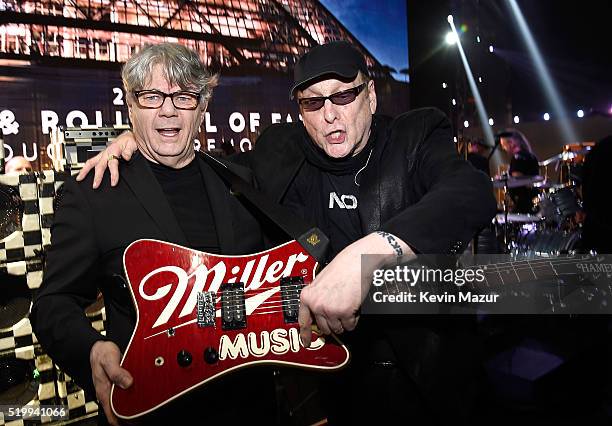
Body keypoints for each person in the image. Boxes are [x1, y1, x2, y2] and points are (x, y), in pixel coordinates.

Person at [78, 41, 497, 424]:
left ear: (369, 97)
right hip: (337, 383)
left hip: (428, 378)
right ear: (300, 112)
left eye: (344, 95)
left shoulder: (415, 136)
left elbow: (470, 192)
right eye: (313, 103)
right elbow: (204, 163)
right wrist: (133, 142)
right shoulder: (280, 153)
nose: (329, 113)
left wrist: (371, 253)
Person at [30, 43, 276, 425]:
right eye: (151, 96)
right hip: (155, 409)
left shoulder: (244, 182)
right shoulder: (93, 194)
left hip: (251, 406)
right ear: (130, 105)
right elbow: (52, 304)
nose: (168, 109)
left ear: (203, 105)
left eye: (183, 96)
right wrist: (92, 349)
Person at [498, 129, 540, 214]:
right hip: (533, 200)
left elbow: (518, 179)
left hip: (523, 204)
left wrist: (502, 179)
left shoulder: (517, 158)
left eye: (503, 145)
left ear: (511, 143)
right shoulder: (531, 156)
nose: (503, 148)